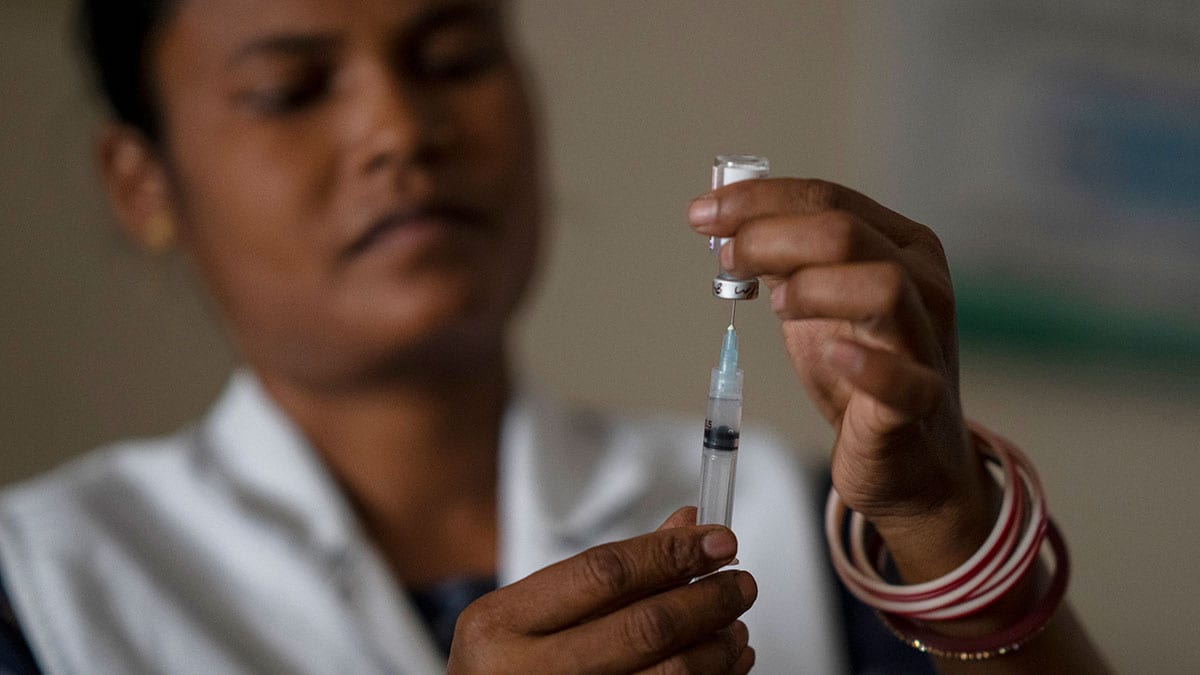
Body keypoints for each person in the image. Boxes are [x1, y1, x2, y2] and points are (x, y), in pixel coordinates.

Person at [0, 1, 1111, 673]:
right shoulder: (46, 586)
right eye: (292, 88)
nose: (398, 128)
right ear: (141, 183)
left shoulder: (819, 524)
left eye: (451, 57)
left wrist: (945, 522)